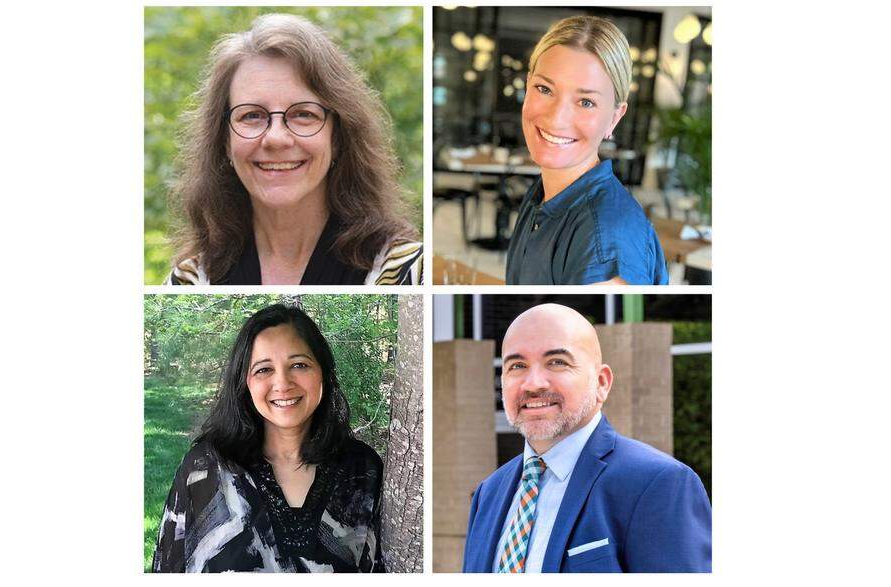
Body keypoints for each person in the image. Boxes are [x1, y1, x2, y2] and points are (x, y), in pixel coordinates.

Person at [166, 14, 422, 285]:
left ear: (337, 137)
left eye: (303, 114)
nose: (276, 138)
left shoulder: (411, 275)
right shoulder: (190, 282)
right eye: (252, 115)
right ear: (225, 141)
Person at [462, 304, 710, 572]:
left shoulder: (659, 484)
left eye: (557, 362)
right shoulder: (489, 493)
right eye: (517, 365)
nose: (533, 384)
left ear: (602, 382)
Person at [153, 304, 385, 572]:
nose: (283, 383)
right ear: (245, 381)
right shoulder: (203, 470)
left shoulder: (363, 470)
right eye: (264, 369)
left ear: (323, 371)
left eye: (299, 365)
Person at [505, 16, 667, 285]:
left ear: (614, 118)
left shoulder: (605, 240)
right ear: (528, 85)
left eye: (586, 102)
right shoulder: (542, 193)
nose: (556, 119)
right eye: (544, 89)